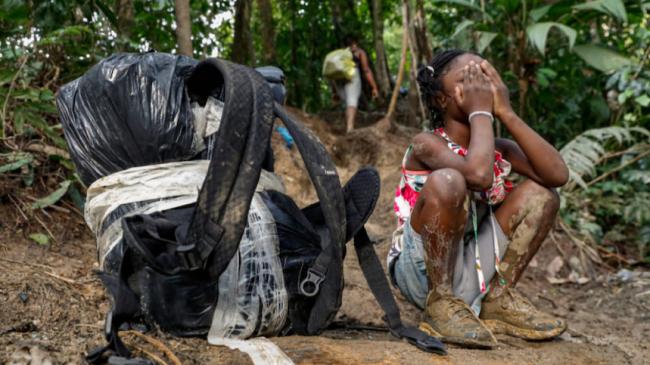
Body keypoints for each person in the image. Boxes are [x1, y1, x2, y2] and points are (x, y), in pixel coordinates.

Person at [388, 49, 570, 348]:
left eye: (484, 78)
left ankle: (497, 299)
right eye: (467, 80)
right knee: (449, 181)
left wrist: (506, 112)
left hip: (473, 270)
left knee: (542, 194)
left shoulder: (501, 149)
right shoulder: (426, 144)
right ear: (440, 100)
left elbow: (557, 175)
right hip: (421, 273)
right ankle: (440, 304)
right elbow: (478, 176)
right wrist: (481, 112)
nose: (479, 88)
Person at [332, 35, 380, 133]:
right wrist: (374, 87)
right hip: (352, 75)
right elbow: (366, 70)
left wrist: (334, 91)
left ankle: (348, 125)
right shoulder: (359, 52)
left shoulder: (340, 54)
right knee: (352, 101)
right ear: (355, 43)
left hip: (339, 80)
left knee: (348, 102)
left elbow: (332, 73)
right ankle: (350, 128)